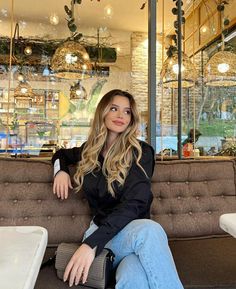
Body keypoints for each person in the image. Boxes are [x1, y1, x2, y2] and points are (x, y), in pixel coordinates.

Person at [52, 89, 184, 289]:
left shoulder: (141, 153)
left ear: (132, 118)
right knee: (150, 232)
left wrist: (90, 245)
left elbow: (135, 204)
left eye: (127, 111)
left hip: (132, 234)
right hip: (104, 236)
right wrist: (60, 171)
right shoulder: (90, 150)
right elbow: (60, 154)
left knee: (134, 278)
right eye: (114, 108)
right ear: (102, 112)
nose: (121, 115)